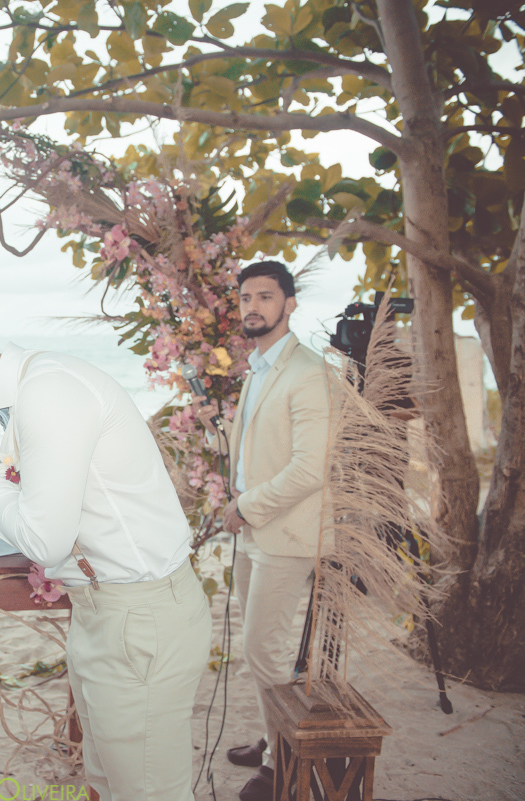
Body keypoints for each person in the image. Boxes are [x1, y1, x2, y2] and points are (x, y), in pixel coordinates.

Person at [0, 312, 212, 801]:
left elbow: (45, 541)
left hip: (140, 618)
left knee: (148, 791)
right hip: (104, 612)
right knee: (109, 783)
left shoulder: (49, 393)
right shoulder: (31, 392)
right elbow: (44, 509)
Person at [191, 260, 331, 801]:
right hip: (256, 529)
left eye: (266, 297)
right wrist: (218, 422)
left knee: (266, 651)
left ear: (289, 304)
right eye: (246, 297)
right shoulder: (260, 368)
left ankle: (282, 764)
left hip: (285, 530)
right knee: (257, 650)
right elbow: (258, 445)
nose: (253, 306)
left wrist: (247, 509)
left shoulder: (309, 372)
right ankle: (272, 738)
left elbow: (310, 467)